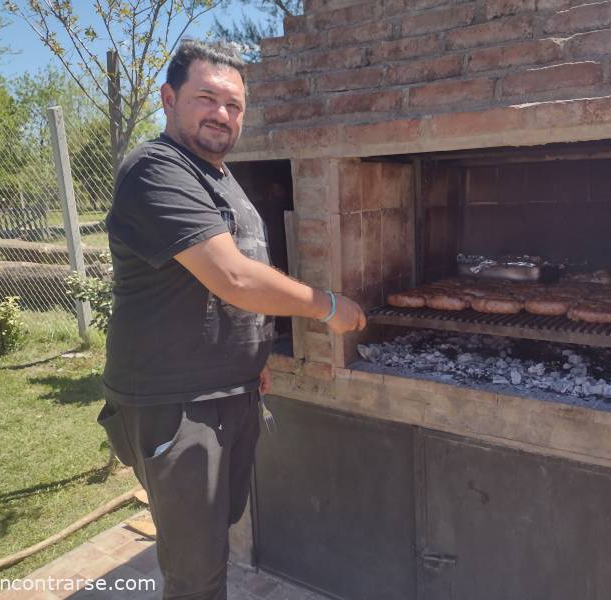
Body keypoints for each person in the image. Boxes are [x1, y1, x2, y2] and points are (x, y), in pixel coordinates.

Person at [97, 39, 366, 600]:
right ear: (169, 99)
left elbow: (231, 283)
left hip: (230, 389)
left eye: (234, 105)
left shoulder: (218, 175)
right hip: (177, 403)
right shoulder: (155, 170)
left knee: (212, 537)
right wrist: (329, 306)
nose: (222, 114)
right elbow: (234, 278)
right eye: (207, 99)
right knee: (195, 571)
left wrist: (254, 357)